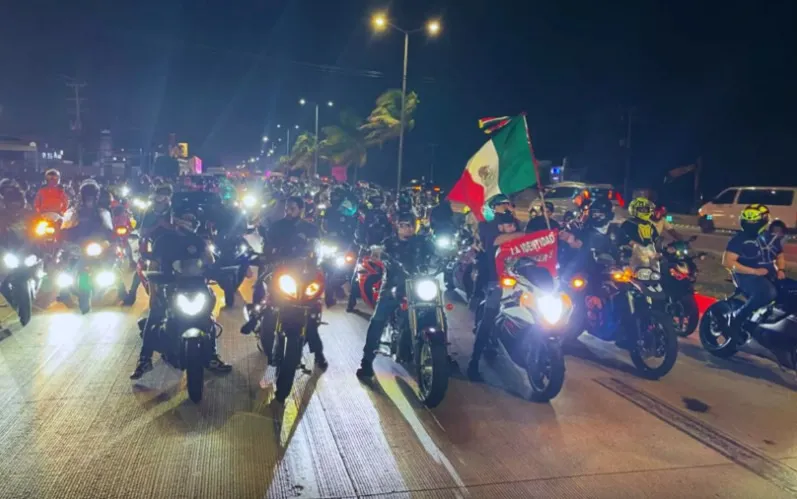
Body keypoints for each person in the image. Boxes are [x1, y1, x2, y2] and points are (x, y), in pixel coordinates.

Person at [130, 221, 232, 380]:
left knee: (208, 318)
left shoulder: (198, 240)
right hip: (170, 287)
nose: (186, 223)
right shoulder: (163, 240)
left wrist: (217, 270)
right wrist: (153, 293)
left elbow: (211, 262)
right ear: (175, 219)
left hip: (197, 287)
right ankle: (144, 359)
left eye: (191, 220)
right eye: (184, 218)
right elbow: (153, 267)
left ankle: (212, 356)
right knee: (155, 315)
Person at [247, 195, 327, 369]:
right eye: (287, 209)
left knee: (312, 311)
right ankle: (255, 317)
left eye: (292, 208)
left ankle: (318, 352)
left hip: (303, 274)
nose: (288, 212)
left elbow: (319, 251)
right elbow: (267, 247)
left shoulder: (311, 229)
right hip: (280, 270)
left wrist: (319, 262)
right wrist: (267, 257)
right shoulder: (276, 227)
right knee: (266, 296)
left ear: (300, 209)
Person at [356, 211, 437, 380]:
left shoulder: (422, 242)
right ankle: (366, 361)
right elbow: (379, 252)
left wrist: (452, 252)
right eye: (403, 225)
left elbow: (437, 252)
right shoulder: (389, 243)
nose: (407, 228)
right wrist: (376, 252)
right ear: (397, 227)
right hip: (394, 286)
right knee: (379, 318)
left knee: (436, 310)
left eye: (410, 225)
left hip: (419, 285)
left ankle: (439, 350)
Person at [468, 199, 525, 382]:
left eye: (509, 202)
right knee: (488, 319)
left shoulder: (515, 223)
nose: (507, 205)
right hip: (496, 280)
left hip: (521, 281)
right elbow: (495, 241)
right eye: (503, 203)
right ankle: (474, 363)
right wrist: (523, 234)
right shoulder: (487, 226)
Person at [723, 204, 781, 335]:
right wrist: (754, 271)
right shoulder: (740, 239)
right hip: (746, 276)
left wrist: (779, 269)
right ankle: (737, 317)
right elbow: (728, 261)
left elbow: (778, 255)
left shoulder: (770, 237)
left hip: (768, 275)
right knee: (768, 293)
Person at [347, 193, 392, 311]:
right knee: (358, 273)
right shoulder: (365, 215)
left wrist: (388, 244)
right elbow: (359, 231)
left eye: (379, 201)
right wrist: (362, 243)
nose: (377, 204)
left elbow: (391, 231)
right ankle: (351, 302)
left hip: (382, 248)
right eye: (375, 201)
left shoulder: (386, 216)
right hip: (367, 248)